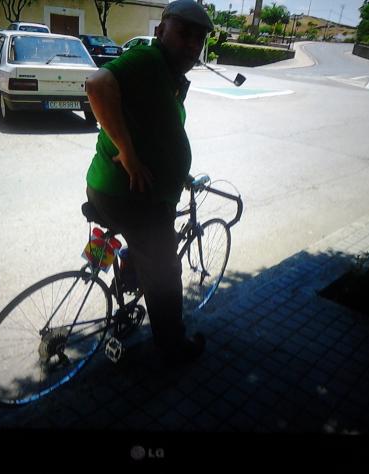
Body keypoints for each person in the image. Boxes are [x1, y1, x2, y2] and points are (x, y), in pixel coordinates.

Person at [84, 0, 213, 365]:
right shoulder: (148, 59)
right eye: (183, 34)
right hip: (134, 199)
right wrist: (127, 154)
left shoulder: (166, 75)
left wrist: (175, 170)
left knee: (145, 248)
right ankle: (173, 348)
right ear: (160, 31)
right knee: (167, 274)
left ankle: (129, 274)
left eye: (199, 39)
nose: (192, 45)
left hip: (119, 194)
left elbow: (155, 129)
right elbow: (97, 84)